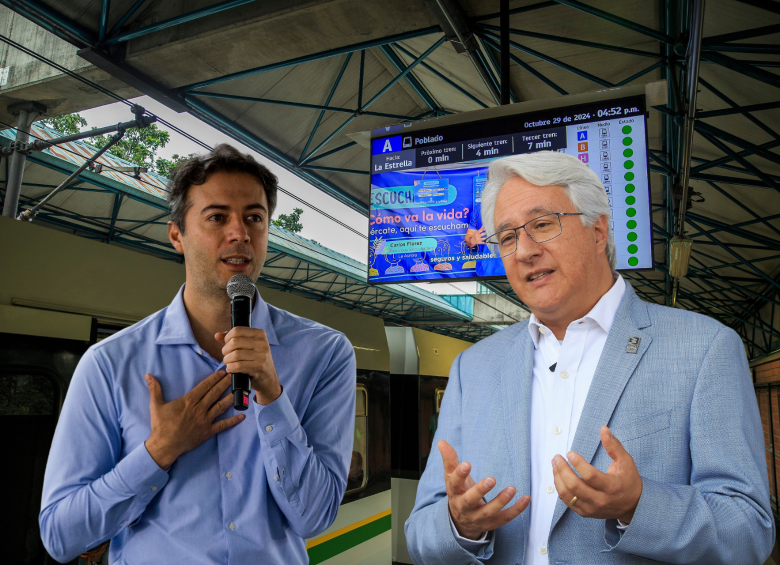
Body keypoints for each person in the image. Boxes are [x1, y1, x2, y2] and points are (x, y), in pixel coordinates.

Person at [405, 151, 774, 565]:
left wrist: (639, 504)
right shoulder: (473, 368)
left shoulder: (704, 348)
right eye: (507, 237)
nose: (524, 251)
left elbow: (749, 531)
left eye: (542, 225)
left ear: (598, 230)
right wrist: (460, 524)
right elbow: (419, 534)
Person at [39, 144, 356, 564]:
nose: (240, 232)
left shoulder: (326, 353)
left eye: (254, 218)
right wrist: (159, 451)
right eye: (217, 217)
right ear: (177, 235)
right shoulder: (109, 363)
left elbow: (315, 518)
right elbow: (61, 535)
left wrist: (273, 397)